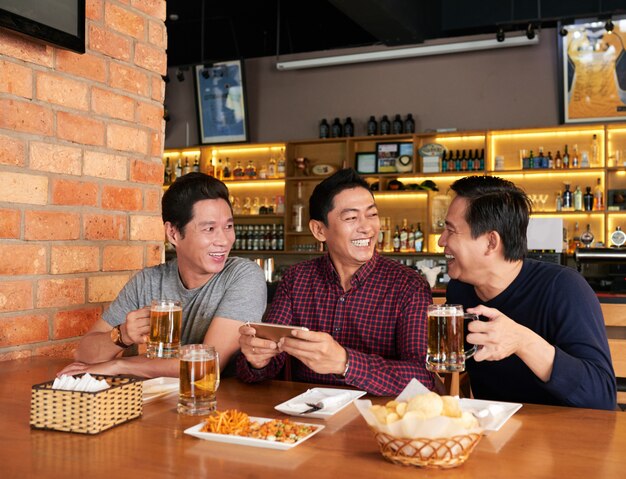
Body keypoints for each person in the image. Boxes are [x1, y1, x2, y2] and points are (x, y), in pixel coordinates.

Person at [236, 168, 436, 395]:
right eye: (351, 217)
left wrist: (346, 363)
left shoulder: (408, 285)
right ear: (319, 230)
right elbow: (268, 360)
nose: (367, 228)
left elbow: (422, 377)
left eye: (372, 214)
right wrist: (256, 359)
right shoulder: (297, 279)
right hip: (307, 416)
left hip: (378, 417)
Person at [59, 173, 267, 379]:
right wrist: (122, 335)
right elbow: (84, 354)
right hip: (159, 404)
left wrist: (118, 364)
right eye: (210, 229)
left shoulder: (243, 276)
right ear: (173, 234)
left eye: (228, 227)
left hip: (222, 406)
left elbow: (206, 364)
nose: (224, 240)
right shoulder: (148, 281)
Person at [440, 175, 616, 410]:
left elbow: (602, 397)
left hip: (569, 437)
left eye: (450, 230)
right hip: (497, 436)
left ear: (491, 242)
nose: (442, 241)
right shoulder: (460, 290)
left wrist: (522, 341)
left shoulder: (563, 289)